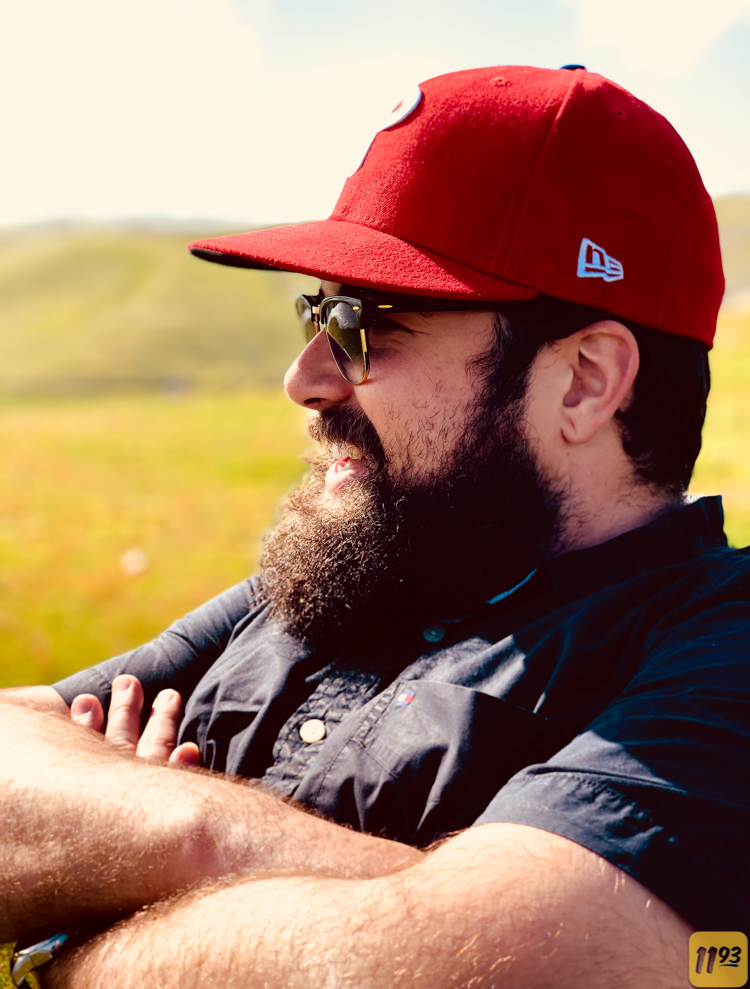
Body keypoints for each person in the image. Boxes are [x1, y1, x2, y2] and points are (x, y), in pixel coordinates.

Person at [1, 64, 747, 989]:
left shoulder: (718, 642)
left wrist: (81, 924)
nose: (304, 379)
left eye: (364, 324)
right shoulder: (359, 570)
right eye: (316, 314)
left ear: (585, 382)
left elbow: (503, 967)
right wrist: (195, 831)